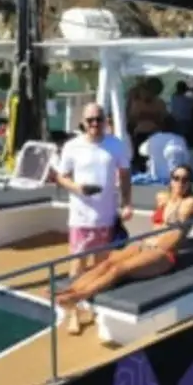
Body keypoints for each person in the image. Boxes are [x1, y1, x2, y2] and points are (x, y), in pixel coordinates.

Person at [55, 165, 193, 321]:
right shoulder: (162, 198)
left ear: (190, 182)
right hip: (143, 245)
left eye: (185, 179)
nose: (180, 183)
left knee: (118, 269)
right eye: (176, 178)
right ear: (171, 180)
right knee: (107, 263)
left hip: (163, 254)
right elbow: (158, 225)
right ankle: (70, 290)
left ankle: (77, 297)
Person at [52, 101, 133, 298]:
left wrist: (127, 203)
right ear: (83, 122)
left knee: (101, 265)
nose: (95, 124)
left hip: (106, 215)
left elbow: (124, 174)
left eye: (99, 119)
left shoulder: (115, 144)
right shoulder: (72, 146)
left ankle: (92, 301)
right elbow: (61, 176)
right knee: (77, 264)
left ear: (106, 121)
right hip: (81, 216)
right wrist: (78, 188)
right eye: (90, 120)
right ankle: (73, 307)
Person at [139, 116, 191, 182]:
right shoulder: (179, 139)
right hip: (175, 178)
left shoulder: (153, 138)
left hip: (155, 176)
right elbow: (186, 160)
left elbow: (141, 151)